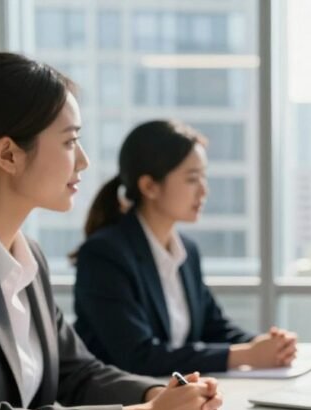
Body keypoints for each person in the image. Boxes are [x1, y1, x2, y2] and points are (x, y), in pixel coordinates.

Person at [0, 53, 222, 410]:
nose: (82, 161)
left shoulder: (28, 256)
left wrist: (158, 396)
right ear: (8, 154)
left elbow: (76, 373)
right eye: (69, 142)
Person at [73, 121, 297, 376]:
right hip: (124, 397)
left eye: (204, 176)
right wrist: (246, 355)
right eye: (192, 179)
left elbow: (214, 328)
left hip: (177, 392)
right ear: (149, 186)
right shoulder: (104, 254)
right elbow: (138, 356)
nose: (204, 190)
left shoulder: (187, 251)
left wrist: (267, 346)